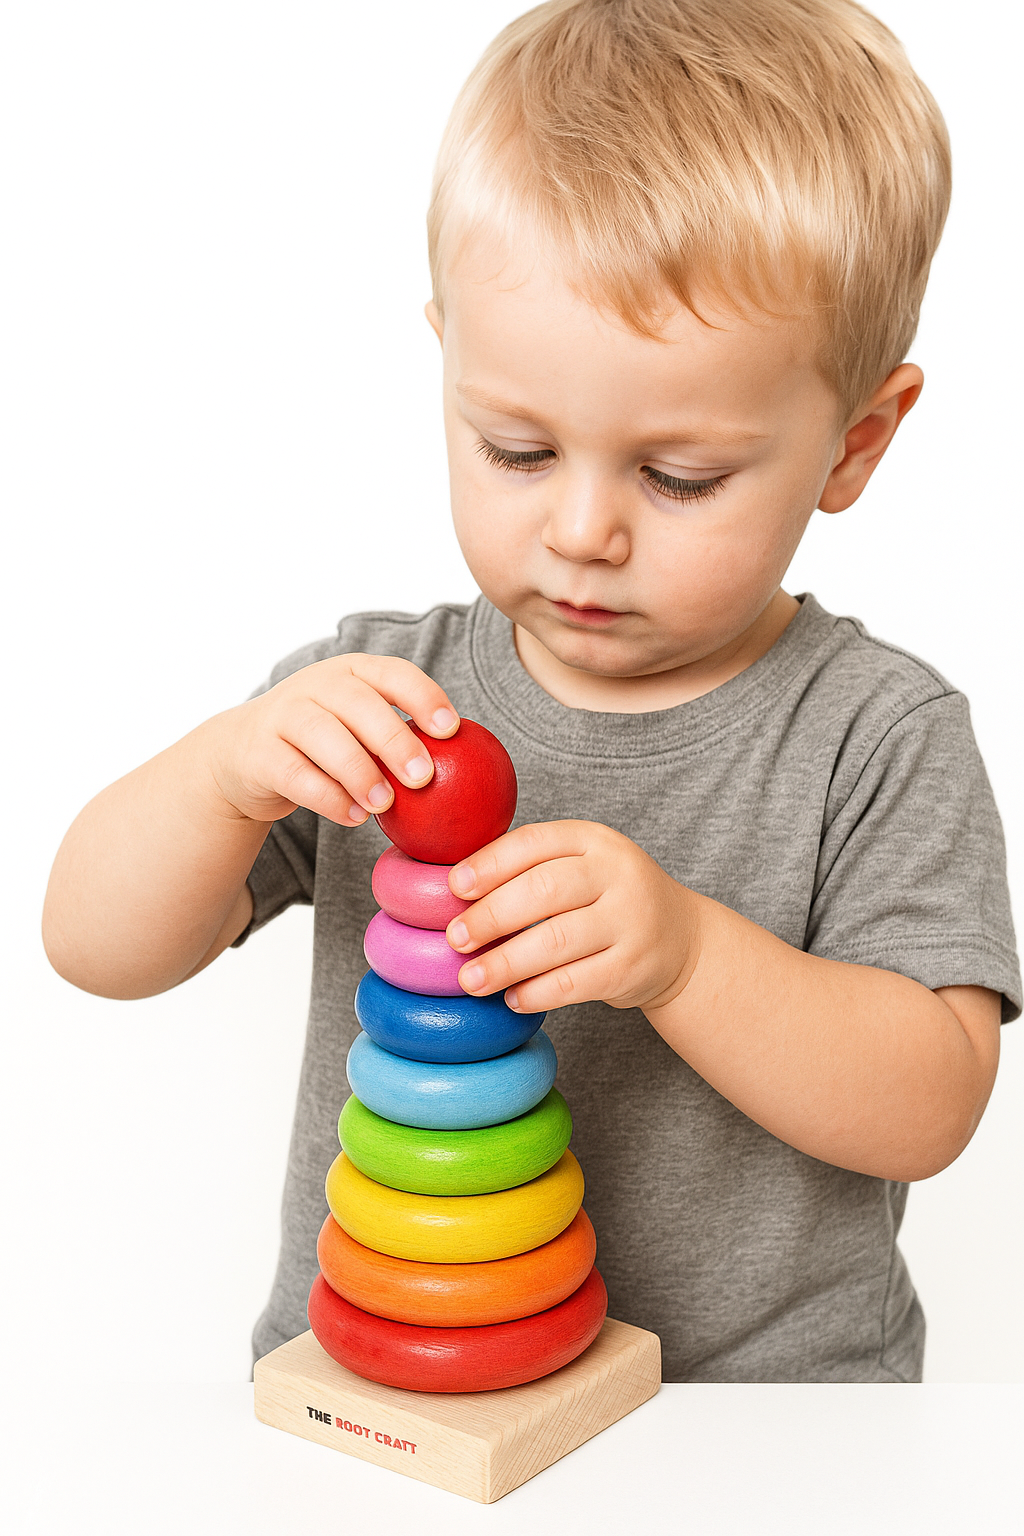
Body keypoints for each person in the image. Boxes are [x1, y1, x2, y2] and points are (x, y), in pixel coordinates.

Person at [42, 0, 1019, 1383]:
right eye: (515, 448)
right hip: (403, 1393)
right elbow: (92, 943)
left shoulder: (876, 737)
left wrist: (685, 955)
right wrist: (218, 775)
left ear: (854, 444)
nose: (582, 530)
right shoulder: (379, 700)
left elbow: (929, 1104)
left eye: (678, 477)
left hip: (761, 1428)